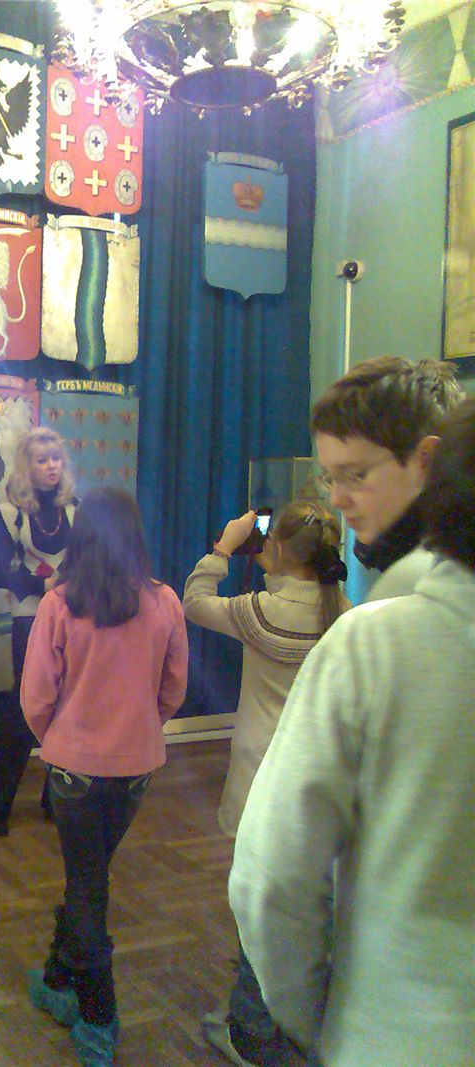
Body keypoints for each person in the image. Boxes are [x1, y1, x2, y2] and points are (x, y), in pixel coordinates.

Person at [228, 400, 475, 1067]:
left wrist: (318, 1019)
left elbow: (272, 876)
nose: (339, 497)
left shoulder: (373, 640)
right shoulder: (352, 614)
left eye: (356, 474)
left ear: (430, 466)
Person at [20, 488, 189, 1067]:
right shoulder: (164, 601)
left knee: (87, 885)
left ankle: (97, 1017)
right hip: (137, 767)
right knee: (88, 877)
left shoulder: (60, 604)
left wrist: (62, 738)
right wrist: (138, 728)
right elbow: (174, 688)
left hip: (75, 771)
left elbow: (36, 697)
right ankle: (57, 976)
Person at [183, 501, 349, 1067]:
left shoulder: (260, 612)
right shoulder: (346, 615)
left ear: (275, 548)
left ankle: (251, 1027)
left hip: (261, 778)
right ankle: (292, 1015)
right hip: (320, 781)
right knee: (307, 906)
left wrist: (224, 548)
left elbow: (194, 601)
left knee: (256, 904)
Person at [0, 427, 78, 836]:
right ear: (27, 466)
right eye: (42, 460)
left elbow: (90, 558)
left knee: (67, 707)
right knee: (24, 710)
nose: (52, 466)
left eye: (56, 458)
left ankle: (54, 801)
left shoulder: (76, 509)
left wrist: (68, 585)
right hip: (29, 617)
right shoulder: (10, 513)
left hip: (72, 616)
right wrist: (45, 585)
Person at [310, 355, 463, 599]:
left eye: (355, 475)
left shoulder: (425, 585)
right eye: (330, 478)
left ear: (427, 458)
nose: (336, 500)